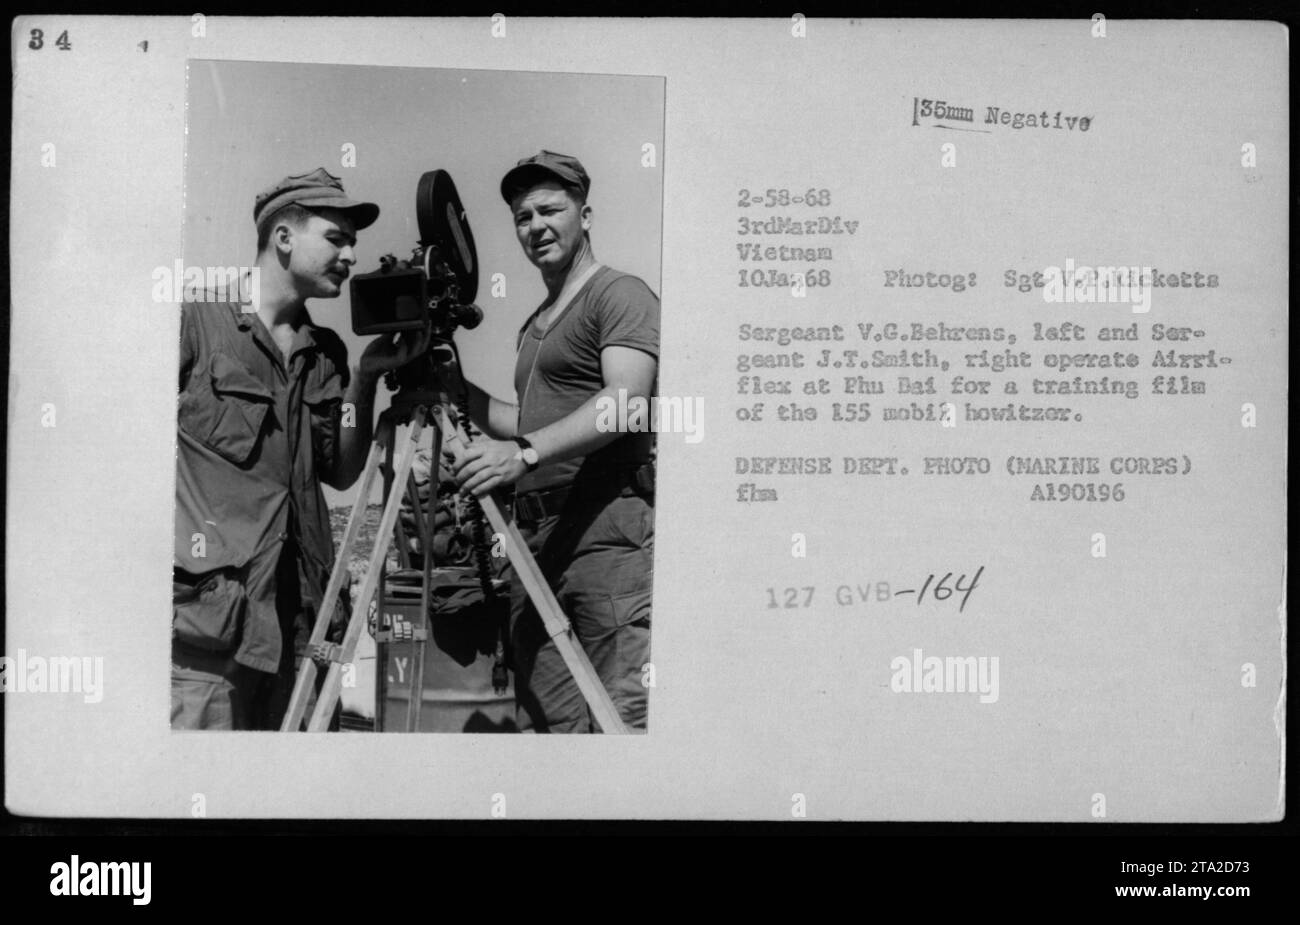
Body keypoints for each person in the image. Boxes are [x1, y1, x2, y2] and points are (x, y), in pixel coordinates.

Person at [172, 167, 430, 730]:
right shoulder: (193, 324)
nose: (351, 257)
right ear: (283, 238)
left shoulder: (328, 353)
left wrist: (364, 381)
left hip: (304, 626)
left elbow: (339, 471)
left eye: (352, 244)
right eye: (336, 239)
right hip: (208, 631)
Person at [448, 151, 658, 733]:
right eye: (522, 217)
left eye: (550, 210)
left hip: (604, 534)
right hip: (535, 541)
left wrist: (524, 453)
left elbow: (627, 401)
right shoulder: (533, 323)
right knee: (553, 728)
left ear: (584, 215)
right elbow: (527, 421)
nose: (535, 226)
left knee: (619, 721)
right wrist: (457, 391)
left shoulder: (619, 294)